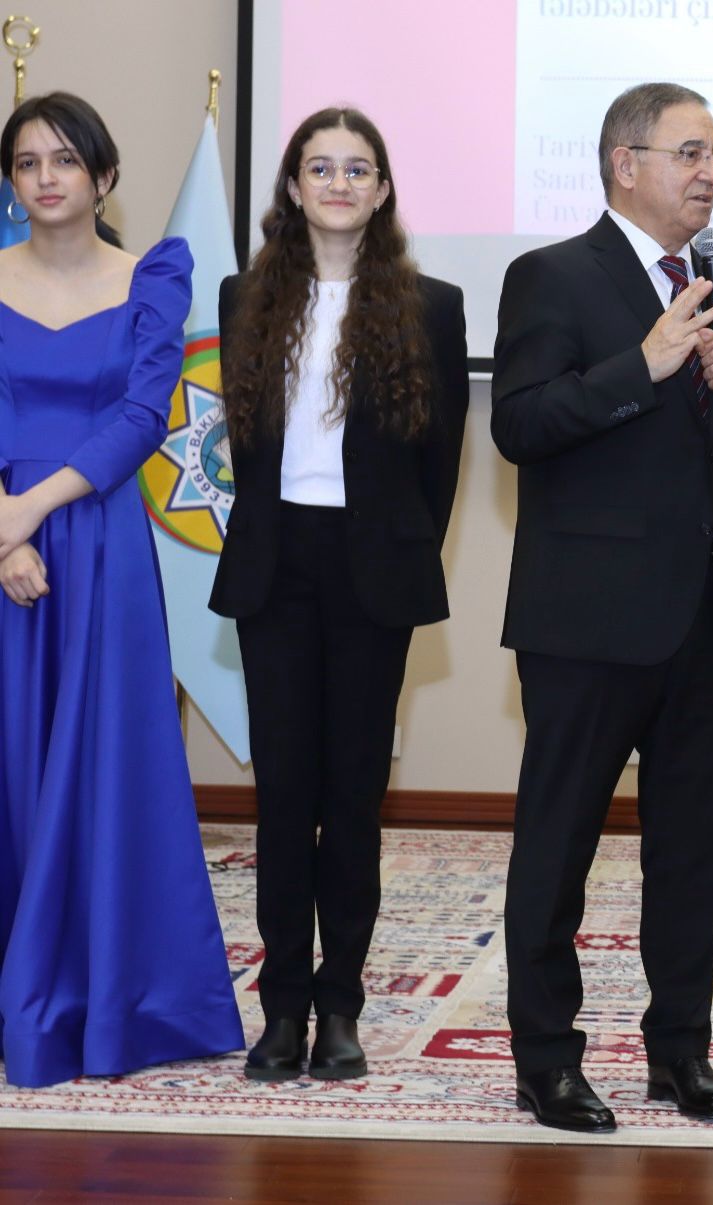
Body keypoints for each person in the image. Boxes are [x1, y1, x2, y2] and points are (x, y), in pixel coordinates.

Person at [492, 81, 713, 1132]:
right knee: (558, 845)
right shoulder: (551, 276)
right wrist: (645, 364)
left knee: (693, 851)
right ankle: (547, 1058)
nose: (709, 170)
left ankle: (681, 1053)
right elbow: (520, 425)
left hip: (709, 616)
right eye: (689, 151)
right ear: (626, 163)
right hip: (587, 620)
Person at [211, 107, 468, 1082]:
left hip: (375, 570)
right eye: (319, 167)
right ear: (291, 187)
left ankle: (343, 1004)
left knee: (353, 799)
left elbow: (440, 465)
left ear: (384, 191)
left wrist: (399, 555)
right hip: (278, 565)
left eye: (358, 169)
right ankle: (281, 1009)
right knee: (284, 797)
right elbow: (243, 444)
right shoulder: (246, 297)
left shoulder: (430, 306)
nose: (338, 183)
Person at [0, 92, 243, 1085]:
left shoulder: (154, 275)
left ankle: (109, 999)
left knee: (104, 767)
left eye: (67, 159)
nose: (47, 177)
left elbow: (146, 415)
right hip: (2, 533)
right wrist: (3, 522)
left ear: (104, 178)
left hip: (98, 546)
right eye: (26, 162)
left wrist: (28, 510)